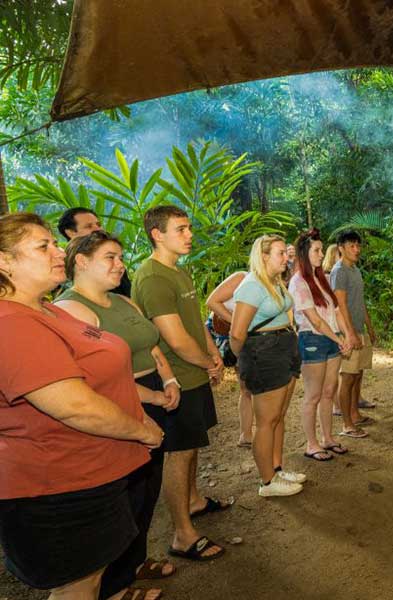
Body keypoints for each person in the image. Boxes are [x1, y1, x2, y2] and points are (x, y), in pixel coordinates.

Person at [0, 212, 163, 600]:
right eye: (44, 246)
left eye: (54, 243)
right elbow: (75, 406)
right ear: (3, 261)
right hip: (57, 486)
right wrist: (142, 429)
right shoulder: (11, 323)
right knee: (77, 587)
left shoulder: (47, 309)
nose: (59, 252)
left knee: (92, 581)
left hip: (89, 476)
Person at [54, 231, 184, 598]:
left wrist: (170, 379)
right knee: (122, 499)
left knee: (146, 489)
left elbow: (152, 344)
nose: (120, 264)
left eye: (120, 257)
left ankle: (134, 562)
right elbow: (102, 376)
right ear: (81, 262)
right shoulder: (70, 309)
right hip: (124, 402)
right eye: (110, 257)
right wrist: (154, 398)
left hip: (155, 391)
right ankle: (115, 585)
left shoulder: (123, 301)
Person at [132, 206, 228, 563]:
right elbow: (173, 338)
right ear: (158, 234)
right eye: (181, 229)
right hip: (176, 380)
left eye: (189, 228)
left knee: (193, 445)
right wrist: (205, 362)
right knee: (179, 452)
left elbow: (194, 324)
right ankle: (182, 535)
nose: (189, 235)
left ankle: (194, 500)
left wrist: (213, 358)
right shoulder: (153, 277)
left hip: (195, 373)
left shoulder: (179, 272)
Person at [229, 234, 305, 497]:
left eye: (286, 252)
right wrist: (247, 357)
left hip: (284, 346)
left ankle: (276, 468)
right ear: (263, 256)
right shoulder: (252, 285)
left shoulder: (274, 282)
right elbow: (237, 334)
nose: (287, 257)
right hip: (264, 351)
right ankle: (267, 482)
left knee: (278, 416)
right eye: (280, 253)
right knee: (266, 421)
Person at [289, 229, 353, 461]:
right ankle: (311, 443)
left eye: (321, 249)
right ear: (304, 253)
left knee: (328, 392)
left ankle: (328, 438)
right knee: (313, 395)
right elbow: (314, 320)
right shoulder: (298, 283)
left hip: (332, 337)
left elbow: (335, 310)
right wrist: (339, 340)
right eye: (316, 250)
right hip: (313, 340)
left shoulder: (320, 278)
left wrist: (345, 334)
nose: (321, 253)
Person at [330, 230, 377, 438]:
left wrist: (369, 327)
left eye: (358, 245)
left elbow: (360, 301)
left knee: (358, 373)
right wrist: (350, 333)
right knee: (347, 377)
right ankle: (347, 424)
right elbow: (340, 305)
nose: (357, 249)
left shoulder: (355, 270)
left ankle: (355, 414)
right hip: (348, 331)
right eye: (352, 246)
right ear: (341, 248)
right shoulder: (339, 271)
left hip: (359, 329)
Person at [206, 271, 254, 448]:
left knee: (247, 386)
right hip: (224, 333)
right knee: (245, 387)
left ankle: (247, 434)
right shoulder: (242, 277)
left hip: (242, 335)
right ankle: (246, 434)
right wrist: (236, 321)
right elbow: (211, 301)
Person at [58, 207, 131, 297]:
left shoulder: (116, 262)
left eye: (98, 224)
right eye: (89, 226)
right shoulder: (61, 268)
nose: (97, 229)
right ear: (71, 233)